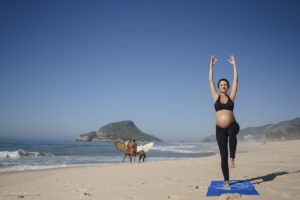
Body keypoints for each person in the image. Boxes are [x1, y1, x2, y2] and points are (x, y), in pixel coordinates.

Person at [209, 55, 240, 187]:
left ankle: (232, 158)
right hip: (219, 129)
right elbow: (210, 80)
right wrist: (211, 66)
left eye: (225, 85)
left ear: (227, 87)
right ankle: (226, 181)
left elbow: (236, 80)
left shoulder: (231, 96)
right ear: (219, 87)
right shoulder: (215, 96)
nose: (223, 86)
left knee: (232, 133)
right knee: (223, 155)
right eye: (221, 85)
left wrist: (234, 65)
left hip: (232, 125)